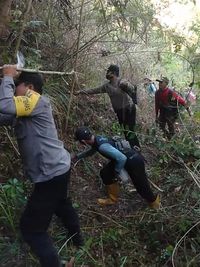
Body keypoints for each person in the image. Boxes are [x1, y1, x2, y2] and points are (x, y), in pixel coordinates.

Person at [0, 65, 83, 267]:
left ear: (29, 87)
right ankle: (78, 241)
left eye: (16, 86)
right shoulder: (25, 107)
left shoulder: (35, 100)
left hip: (51, 173)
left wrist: (8, 76)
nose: (13, 90)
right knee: (61, 203)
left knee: (31, 229)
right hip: (57, 168)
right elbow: (3, 114)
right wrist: (8, 81)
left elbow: (5, 105)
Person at [73, 126, 160, 209]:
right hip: (127, 158)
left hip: (133, 161)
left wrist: (117, 171)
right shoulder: (97, 139)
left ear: (83, 141)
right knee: (105, 173)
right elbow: (92, 151)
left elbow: (121, 158)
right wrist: (77, 156)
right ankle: (112, 199)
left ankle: (154, 204)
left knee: (141, 186)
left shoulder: (102, 146)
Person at [75, 64, 140, 148]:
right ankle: (131, 148)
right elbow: (94, 90)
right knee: (125, 131)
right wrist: (80, 91)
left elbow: (133, 89)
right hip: (119, 111)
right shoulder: (107, 86)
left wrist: (133, 98)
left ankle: (136, 148)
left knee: (130, 131)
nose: (106, 73)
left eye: (108, 71)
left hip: (129, 109)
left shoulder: (122, 82)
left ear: (113, 73)